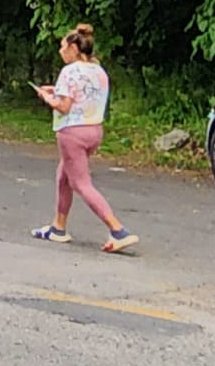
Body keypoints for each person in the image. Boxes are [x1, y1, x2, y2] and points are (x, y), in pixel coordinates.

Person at [31, 24, 136, 253]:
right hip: (94, 130)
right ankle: (58, 227)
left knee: (80, 183)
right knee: (63, 176)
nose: (60, 51)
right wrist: (56, 90)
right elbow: (84, 94)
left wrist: (48, 98)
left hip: (72, 132)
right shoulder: (98, 71)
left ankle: (118, 230)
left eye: (62, 47)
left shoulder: (69, 71)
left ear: (73, 48)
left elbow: (64, 107)